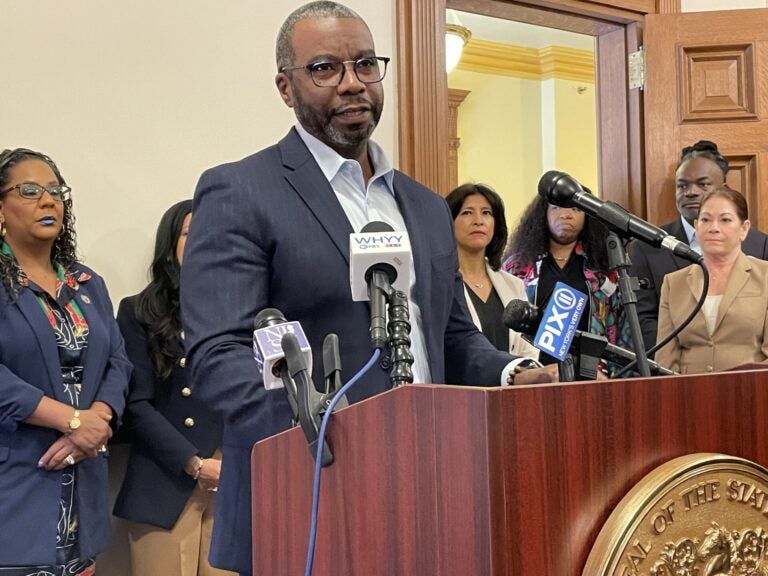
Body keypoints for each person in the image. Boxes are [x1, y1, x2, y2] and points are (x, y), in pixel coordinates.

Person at [179, 2, 556, 573]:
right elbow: (218, 356)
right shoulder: (241, 191)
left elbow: (450, 335)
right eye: (326, 68)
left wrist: (513, 374)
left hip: (433, 490)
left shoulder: (427, 207)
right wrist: (339, 433)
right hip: (307, 494)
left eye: (364, 65)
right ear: (286, 86)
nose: (352, 83)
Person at [0, 147, 130, 574]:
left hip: (82, 496)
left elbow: (117, 360)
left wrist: (97, 419)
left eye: (56, 190)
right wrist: (70, 421)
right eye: (30, 190)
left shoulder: (86, 282)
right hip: (15, 491)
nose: (49, 200)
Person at [112, 200, 230, 575]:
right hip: (165, 480)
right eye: (190, 234)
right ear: (170, 245)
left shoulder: (242, 309)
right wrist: (194, 463)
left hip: (231, 478)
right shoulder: (138, 311)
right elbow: (135, 404)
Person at [630, 140, 768, 353]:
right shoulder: (647, 247)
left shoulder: (759, 245)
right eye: (682, 185)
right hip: (676, 373)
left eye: (702, 184)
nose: (691, 192)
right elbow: (643, 318)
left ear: (723, 188)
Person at [502, 192, 632, 368]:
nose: (565, 215)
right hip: (532, 374)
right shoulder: (517, 267)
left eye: (576, 208)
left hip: (593, 376)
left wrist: (614, 376)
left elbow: (623, 327)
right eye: (556, 208)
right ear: (543, 214)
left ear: (587, 215)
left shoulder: (605, 269)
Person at [655, 185, 768, 373]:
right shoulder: (673, 283)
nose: (714, 228)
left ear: (744, 229)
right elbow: (666, 360)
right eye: (706, 220)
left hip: (751, 393)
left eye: (725, 220)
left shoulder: (765, 277)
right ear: (697, 226)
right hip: (687, 395)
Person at [446, 183, 538, 357]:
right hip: (460, 382)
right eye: (467, 213)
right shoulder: (441, 284)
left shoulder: (513, 285)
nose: (478, 221)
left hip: (512, 381)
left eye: (486, 213)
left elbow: (529, 347)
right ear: (448, 222)